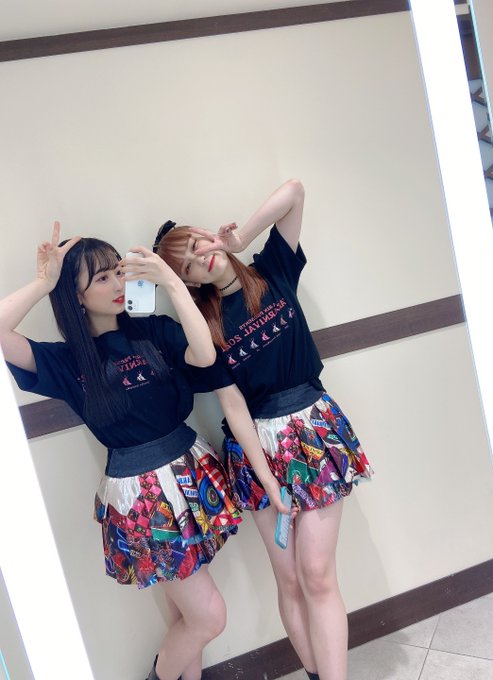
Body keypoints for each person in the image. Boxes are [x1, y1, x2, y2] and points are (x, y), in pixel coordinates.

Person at [0, 222, 287, 680]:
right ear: (76, 297)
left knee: (187, 616)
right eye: (101, 278)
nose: (117, 284)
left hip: (190, 472)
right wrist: (44, 282)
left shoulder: (152, 331)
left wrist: (170, 280)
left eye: (118, 271)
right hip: (142, 498)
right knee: (209, 617)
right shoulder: (67, 361)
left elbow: (204, 354)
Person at [154, 179, 373, 680]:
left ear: (210, 235)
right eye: (187, 266)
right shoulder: (206, 327)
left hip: (312, 429)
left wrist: (241, 237)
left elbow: (294, 191)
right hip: (255, 448)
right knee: (290, 579)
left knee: (317, 574)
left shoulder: (272, 269)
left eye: (197, 245)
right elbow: (232, 405)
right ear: (188, 283)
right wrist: (269, 481)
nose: (201, 259)